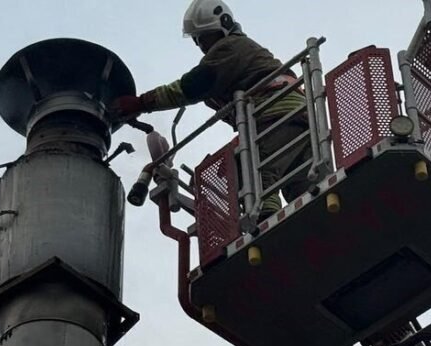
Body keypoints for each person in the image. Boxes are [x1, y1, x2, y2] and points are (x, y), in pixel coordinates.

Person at [113, 0, 313, 219]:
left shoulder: (231, 48)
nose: (200, 45)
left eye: (203, 37)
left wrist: (142, 102)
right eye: (197, 40)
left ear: (223, 26)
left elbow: (192, 86)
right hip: (299, 117)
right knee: (301, 184)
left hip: (275, 113)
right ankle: (314, 219)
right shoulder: (242, 55)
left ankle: (267, 221)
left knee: (252, 171)